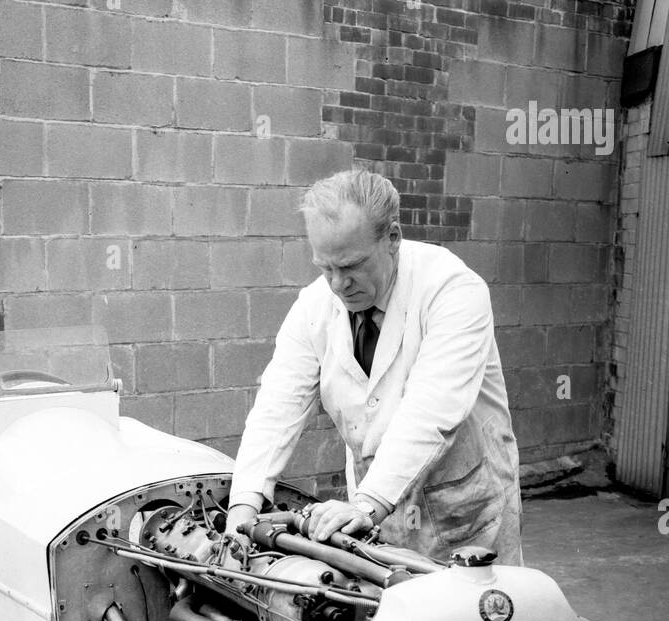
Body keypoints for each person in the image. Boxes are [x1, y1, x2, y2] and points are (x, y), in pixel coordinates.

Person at [224, 169, 522, 564]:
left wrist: (367, 504)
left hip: (466, 512)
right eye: (324, 267)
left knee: (483, 617)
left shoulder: (451, 289)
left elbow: (431, 409)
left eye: (351, 266)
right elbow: (277, 408)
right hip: (374, 510)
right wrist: (242, 509)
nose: (337, 284)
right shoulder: (314, 307)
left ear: (393, 238)